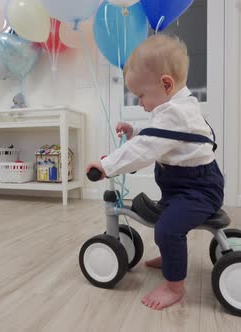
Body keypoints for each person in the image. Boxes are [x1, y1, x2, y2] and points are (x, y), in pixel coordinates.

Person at [86, 35, 224, 310]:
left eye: (142, 95)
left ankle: (174, 286)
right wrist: (135, 131)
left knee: (167, 229)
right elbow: (161, 138)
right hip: (184, 188)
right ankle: (172, 254)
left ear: (166, 84)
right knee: (165, 217)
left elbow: (147, 148)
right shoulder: (179, 108)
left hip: (198, 191)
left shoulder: (177, 113)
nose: (140, 103)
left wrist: (107, 166)